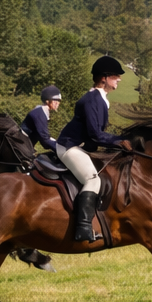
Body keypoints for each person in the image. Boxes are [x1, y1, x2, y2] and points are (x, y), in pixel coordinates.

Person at [55, 56, 129, 242]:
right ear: (104, 78)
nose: (118, 78)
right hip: (69, 147)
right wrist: (119, 141)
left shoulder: (100, 99)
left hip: (81, 147)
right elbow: (95, 134)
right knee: (92, 180)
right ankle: (83, 228)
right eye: (115, 76)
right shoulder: (92, 100)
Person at [21, 85, 63, 153]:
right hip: (20, 149)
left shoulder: (42, 111)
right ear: (47, 100)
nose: (57, 103)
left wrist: (57, 144)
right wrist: (61, 150)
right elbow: (44, 139)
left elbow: (45, 138)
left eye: (59, 101)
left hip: (25, 148)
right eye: (55, 100)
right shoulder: (40, 113)